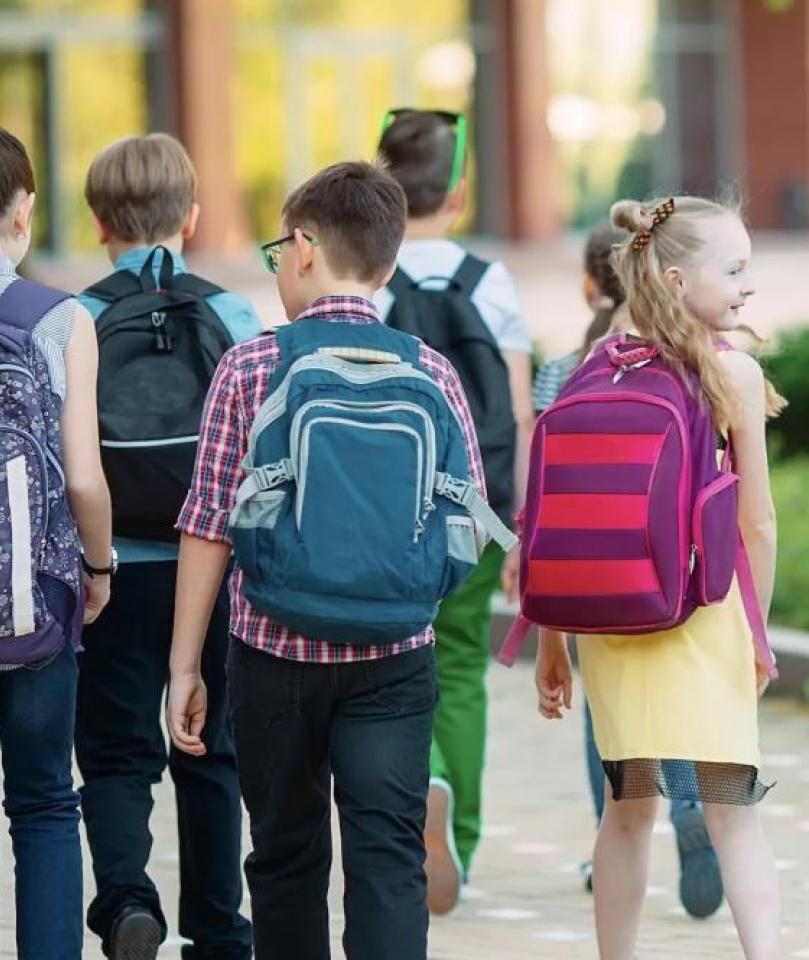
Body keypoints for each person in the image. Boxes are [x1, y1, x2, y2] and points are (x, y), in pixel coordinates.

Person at [166, 161, 488, 960]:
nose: (277, 265)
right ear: (385, 263)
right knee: (386, 862)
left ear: (304, 248)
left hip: (273, 653)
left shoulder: (251, 367)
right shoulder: (431, 371)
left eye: (279, 249)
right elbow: (470, 524)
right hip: (395, 658)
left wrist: (184, 669)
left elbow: (208, 523)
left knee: (285, 859)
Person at [534, 196, 784, 959]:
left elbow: (561, 512)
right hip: (702, 618)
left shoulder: (589, 368)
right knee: (732, 813)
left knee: (627, 810)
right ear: (675, 278)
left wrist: (552, 645)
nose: (749, 284)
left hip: (609, 624)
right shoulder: (730, 371)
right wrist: (757, 636)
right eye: (734, 268)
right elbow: (757, 522)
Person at [75, 132, 258, 960]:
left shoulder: (74, 319)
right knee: (212, 752)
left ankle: (125, 903)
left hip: (108, 570)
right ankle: (218, 929)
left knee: (116, 754)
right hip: (212, 568)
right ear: (191, 216)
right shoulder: (235, 314)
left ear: (96, 220)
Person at [533, 221, 725, 918]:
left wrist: (543, 621)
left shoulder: (566, 369)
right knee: (673, 707)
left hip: (589, 583)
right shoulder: (697, 364)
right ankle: (693, 806)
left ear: (594, 283)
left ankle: (608, 834)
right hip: (676, 580)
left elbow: (544, 492)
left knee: (610, 724)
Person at [375, 108, 534, 911]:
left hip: (387, 514)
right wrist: (521, 522)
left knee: (389, 669)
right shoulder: (490, 281)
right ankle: (460, 843)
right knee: (462, 669)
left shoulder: (370, 273)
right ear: (460, 191)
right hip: (473, 510)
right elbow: (515, 408)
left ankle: (416, 795)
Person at [0, 125, 114, 959]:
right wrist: (99, 567)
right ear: (23, 211)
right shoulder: (61, 319)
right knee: (43, 802)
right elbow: (82, 480)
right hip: (31, 601)